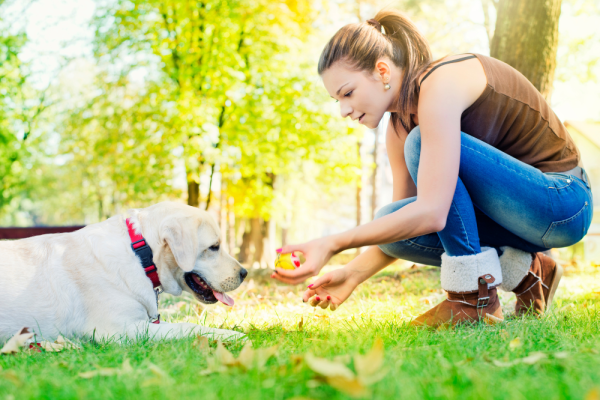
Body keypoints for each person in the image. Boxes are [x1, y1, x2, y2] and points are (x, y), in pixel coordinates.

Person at [271, 9, 593, 327]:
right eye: (336, 100)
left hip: (562, 202)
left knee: (419, 142)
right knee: (390, 219)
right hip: (516, 219)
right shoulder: (398, 128)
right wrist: (352, 274)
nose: (343, 110)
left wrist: (331, 243)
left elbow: (432, 213)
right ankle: (531, 273)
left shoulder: (440, 84)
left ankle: (472, 298)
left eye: (348, 93)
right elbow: (406, 224)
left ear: (382, 71)